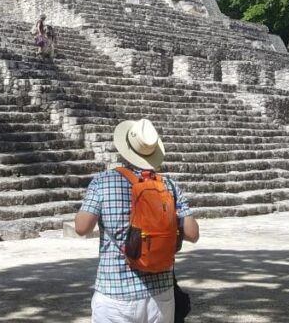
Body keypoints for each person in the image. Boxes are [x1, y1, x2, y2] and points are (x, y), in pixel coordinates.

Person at [75, 119, 200, 323]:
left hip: (115, 292)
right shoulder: (168, 185)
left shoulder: (103, 182)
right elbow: (193, 234)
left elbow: (82, 228)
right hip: (161, 294)